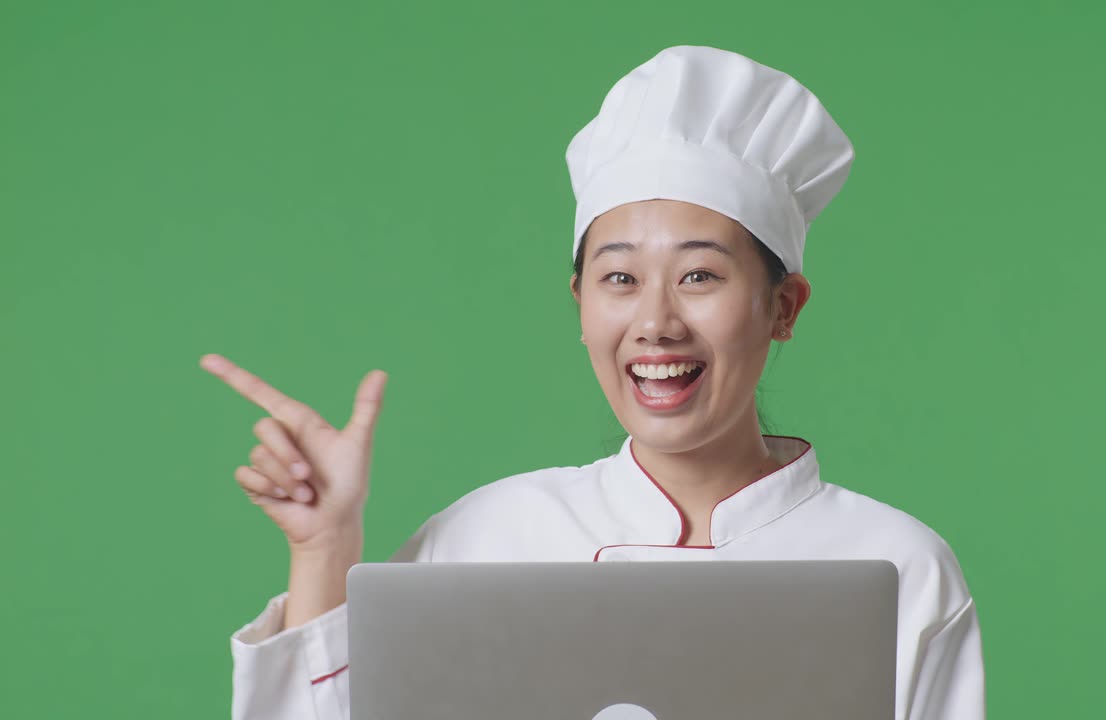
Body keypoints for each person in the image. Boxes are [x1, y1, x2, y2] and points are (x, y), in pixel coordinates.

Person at [206, 45, 986, 720]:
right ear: (580, 305)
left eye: (699, 275)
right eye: (619, 277)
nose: (656, 322)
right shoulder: (481, 539)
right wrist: (325, 548)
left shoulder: (900, 566)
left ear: (782, 307)